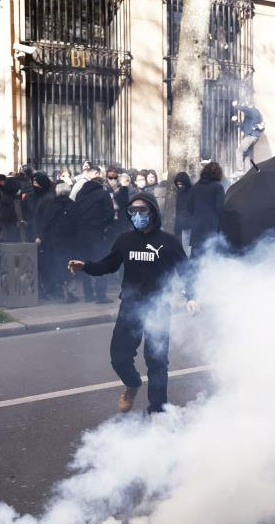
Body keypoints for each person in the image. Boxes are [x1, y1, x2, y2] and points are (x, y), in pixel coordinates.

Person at [68, 193, 197, 414]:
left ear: (153, 212)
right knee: (119, 357)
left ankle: (158, 411)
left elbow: (186, 271)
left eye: (142, 210)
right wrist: (85, 266)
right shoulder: (125, 240)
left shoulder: (168, 242)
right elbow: (108, 265)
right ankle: (133, 384)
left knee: (156, 361)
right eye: (133, 211)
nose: (137, 215)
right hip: (130, 307)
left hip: (158, 308)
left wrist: (191, 296)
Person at [73, 172, 114, 303]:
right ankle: (100, 295)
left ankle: (88, 294)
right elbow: (110, 214)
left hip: (80, 234)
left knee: (84, 264)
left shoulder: (80, 194)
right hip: (96, 234)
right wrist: (103, 226)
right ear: (100, 184)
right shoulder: (103, 194)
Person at [188, 161, 225, 253]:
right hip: (212, 229)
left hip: (196, 229)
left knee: (195, 261)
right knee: (209, 261)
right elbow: (219, 209)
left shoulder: (195, 187)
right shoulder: (218, 187)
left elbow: (189, 207)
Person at [172, 171, 193, 250]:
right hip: (184, 224)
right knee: (185, 246)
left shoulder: (192, 191)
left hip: (192, 224)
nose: (180, 186)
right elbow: (178, 209)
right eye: (178, 184)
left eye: (181, 184)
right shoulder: (179, 192)